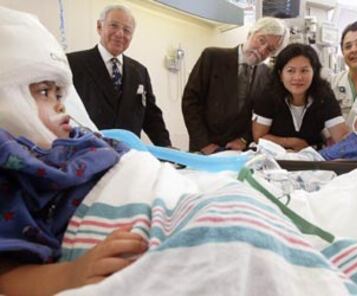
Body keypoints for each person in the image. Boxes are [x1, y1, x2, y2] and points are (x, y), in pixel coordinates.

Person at [0, 7, 148, 295]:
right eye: (44, 92)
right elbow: (7, 273)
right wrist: (71, 275)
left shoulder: (76, 141)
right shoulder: (12, 165)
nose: (60, 105)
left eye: (59, 94)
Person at [67, 5, 172, 147]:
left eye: (127, 30)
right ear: (99, 26)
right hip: (87, 155)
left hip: (129, 156)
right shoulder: (73, 64)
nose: (120, 34)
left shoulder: (140, 72)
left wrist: (168, 150)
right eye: (114, 25)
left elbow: (151, 117)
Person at [181, 17, 288, 154]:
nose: (262, 50)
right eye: (261, 40)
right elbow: (191, 102)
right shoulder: (212, 57)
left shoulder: (266, 75)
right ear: (251, 33)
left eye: (270, 49)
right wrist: (204, 143)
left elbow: (262, 115)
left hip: (239, 151)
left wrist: (244, 140)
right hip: (205, 148)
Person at [252, 43, 349, 151]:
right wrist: (293, 142)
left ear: (314, 72)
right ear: (280, 74)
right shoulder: (268, 95)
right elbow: (259, 138)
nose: (298, 77)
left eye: (304, 70)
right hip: (275, 157)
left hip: (312, 159)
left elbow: (342, 138)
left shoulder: (324, 95)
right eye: (290, 71)